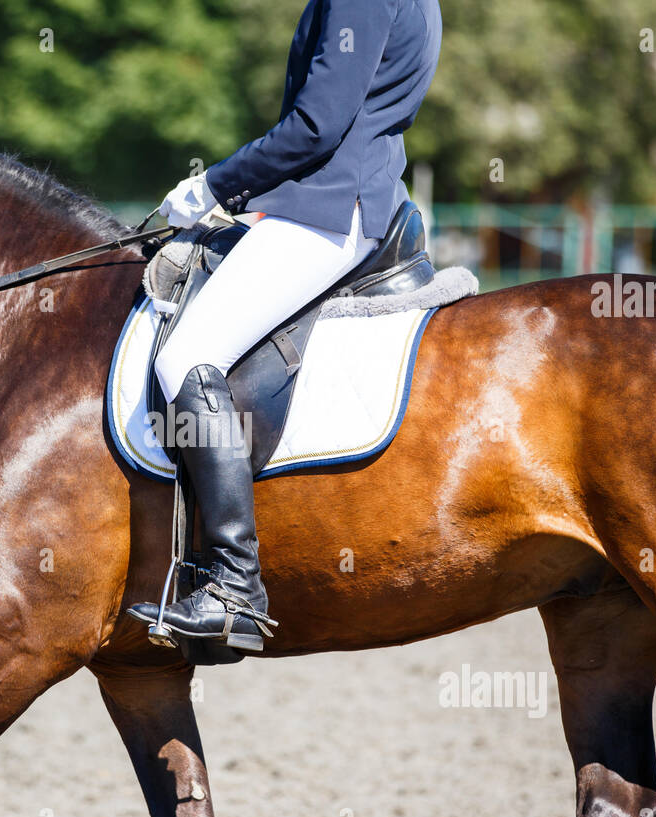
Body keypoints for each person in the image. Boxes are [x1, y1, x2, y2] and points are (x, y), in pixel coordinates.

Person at [129, 0, 443, 646]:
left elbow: (315, 126)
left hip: (328, 207)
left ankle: (235, 586)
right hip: (338, 198)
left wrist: (214, 185)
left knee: (185, 356)